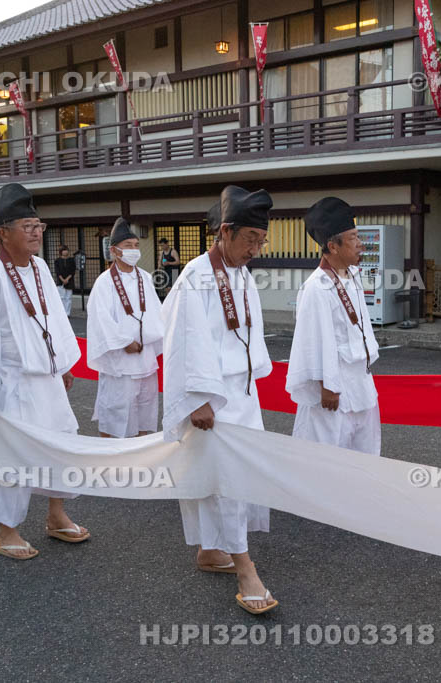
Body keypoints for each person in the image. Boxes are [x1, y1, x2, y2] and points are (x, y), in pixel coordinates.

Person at [0, 183, 88, 560]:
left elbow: (53, 318)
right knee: (9, 456)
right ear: (3, 232)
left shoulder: (40, 267)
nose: (36, 232)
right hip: (7, 381)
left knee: (61, 444)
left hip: (45, 378)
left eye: (38, 225)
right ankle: (7, 531)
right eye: (27, 226)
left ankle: (56, 515)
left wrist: (61, 363)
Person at [160, 185, 277, 614]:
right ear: (225, 232)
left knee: (236, 479)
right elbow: (182, 341)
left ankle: (212, 550)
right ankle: (247, 571)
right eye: (250, 239)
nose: (256, 249)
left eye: (261, 241)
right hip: (213, 398)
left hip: (242, 394)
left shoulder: (241, 273)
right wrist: (197, 399)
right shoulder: (196, 276)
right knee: (225, 483)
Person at [287, 197, 381, 456]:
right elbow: (313, 340)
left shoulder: (353, 277)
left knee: (364, 461)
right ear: (333, 246)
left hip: (361, 386)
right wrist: (328, 386)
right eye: (353, 238)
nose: (361, 244)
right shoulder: (317, 287)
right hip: (334, 393)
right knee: (325, 464)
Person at [86, 218, 163, 438]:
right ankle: (112, 458)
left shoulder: (146, 278)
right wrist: (124, 342)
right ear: (114, 250)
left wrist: (155, 336)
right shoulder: (105, 282)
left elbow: (157, 313)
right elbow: (101, 319)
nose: (134, 250)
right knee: (116, 411)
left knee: (145, 411)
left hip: (145, 357)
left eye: (136, 245)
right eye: (128, 246)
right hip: (119, 360)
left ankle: (139, 456)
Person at [54, 245, 76, 316]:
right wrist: (62, 279)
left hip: (70, 280)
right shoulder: (57, 261)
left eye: (66, 250)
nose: (65, 251)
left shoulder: (72, 260)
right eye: (64, 250)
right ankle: (62, 313)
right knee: (61, 297)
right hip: (60, 281)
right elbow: (57, 272)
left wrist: (67, 279)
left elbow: (73, 271)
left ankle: (67, 313)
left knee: (68, 298)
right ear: (61, 252)